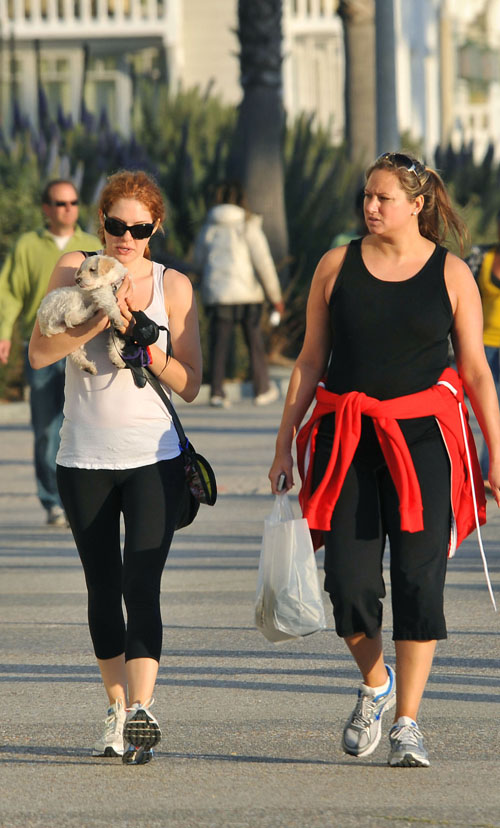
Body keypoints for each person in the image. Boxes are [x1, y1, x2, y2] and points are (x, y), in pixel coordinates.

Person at [269, 151, 500, 768]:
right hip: (347, 440)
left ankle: (407, 723)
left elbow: (476, 370)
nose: (370, 207)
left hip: (424, 443)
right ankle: (377, 684)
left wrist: (496, 453)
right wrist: (284, 441)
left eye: (384, 198)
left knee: (420, 582)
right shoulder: (335, 265)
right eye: (367, 196)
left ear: (417, 205)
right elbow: (310, 361)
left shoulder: (452, 273)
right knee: (348, 585)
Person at [29, 170, 202, 765]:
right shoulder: (75, 269)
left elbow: (191, 384)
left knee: (141, 584)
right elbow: (39, 352)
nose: (127, 237)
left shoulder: (173, 285)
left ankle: (144, 710)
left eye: (139, 228)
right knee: (102, 587)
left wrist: (144, 342)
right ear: (100, 223)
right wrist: (99, 318)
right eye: (116, 225)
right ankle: (117, 707)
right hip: (84, 458)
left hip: (153, 458)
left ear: (156, 228)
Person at [0, 179, 100, 526]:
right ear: (46, 208)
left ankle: (80, 500)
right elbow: (10, 291)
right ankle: (52, 501)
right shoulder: (28, 246)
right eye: (60, 203)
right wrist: (4, 333)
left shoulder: (92, 246)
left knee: (85, 425)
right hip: (42, 346)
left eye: (73, 202)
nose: (68, 209)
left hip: (83, 345)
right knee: (45, 430)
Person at [193, 181, 284, 407]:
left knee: (219, 345)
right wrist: (276, 297)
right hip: (248, 294)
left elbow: (198, 262)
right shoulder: (248, 225)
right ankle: (262, 390)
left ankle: (217, 392)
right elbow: (263, 263)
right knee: (254, 343)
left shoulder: (209, 227)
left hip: (218, 295)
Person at [465, 211, 500, 490]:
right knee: (470, 405)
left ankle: (489, 469)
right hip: (480, 344)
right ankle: (464, 466)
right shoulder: (481, 258)